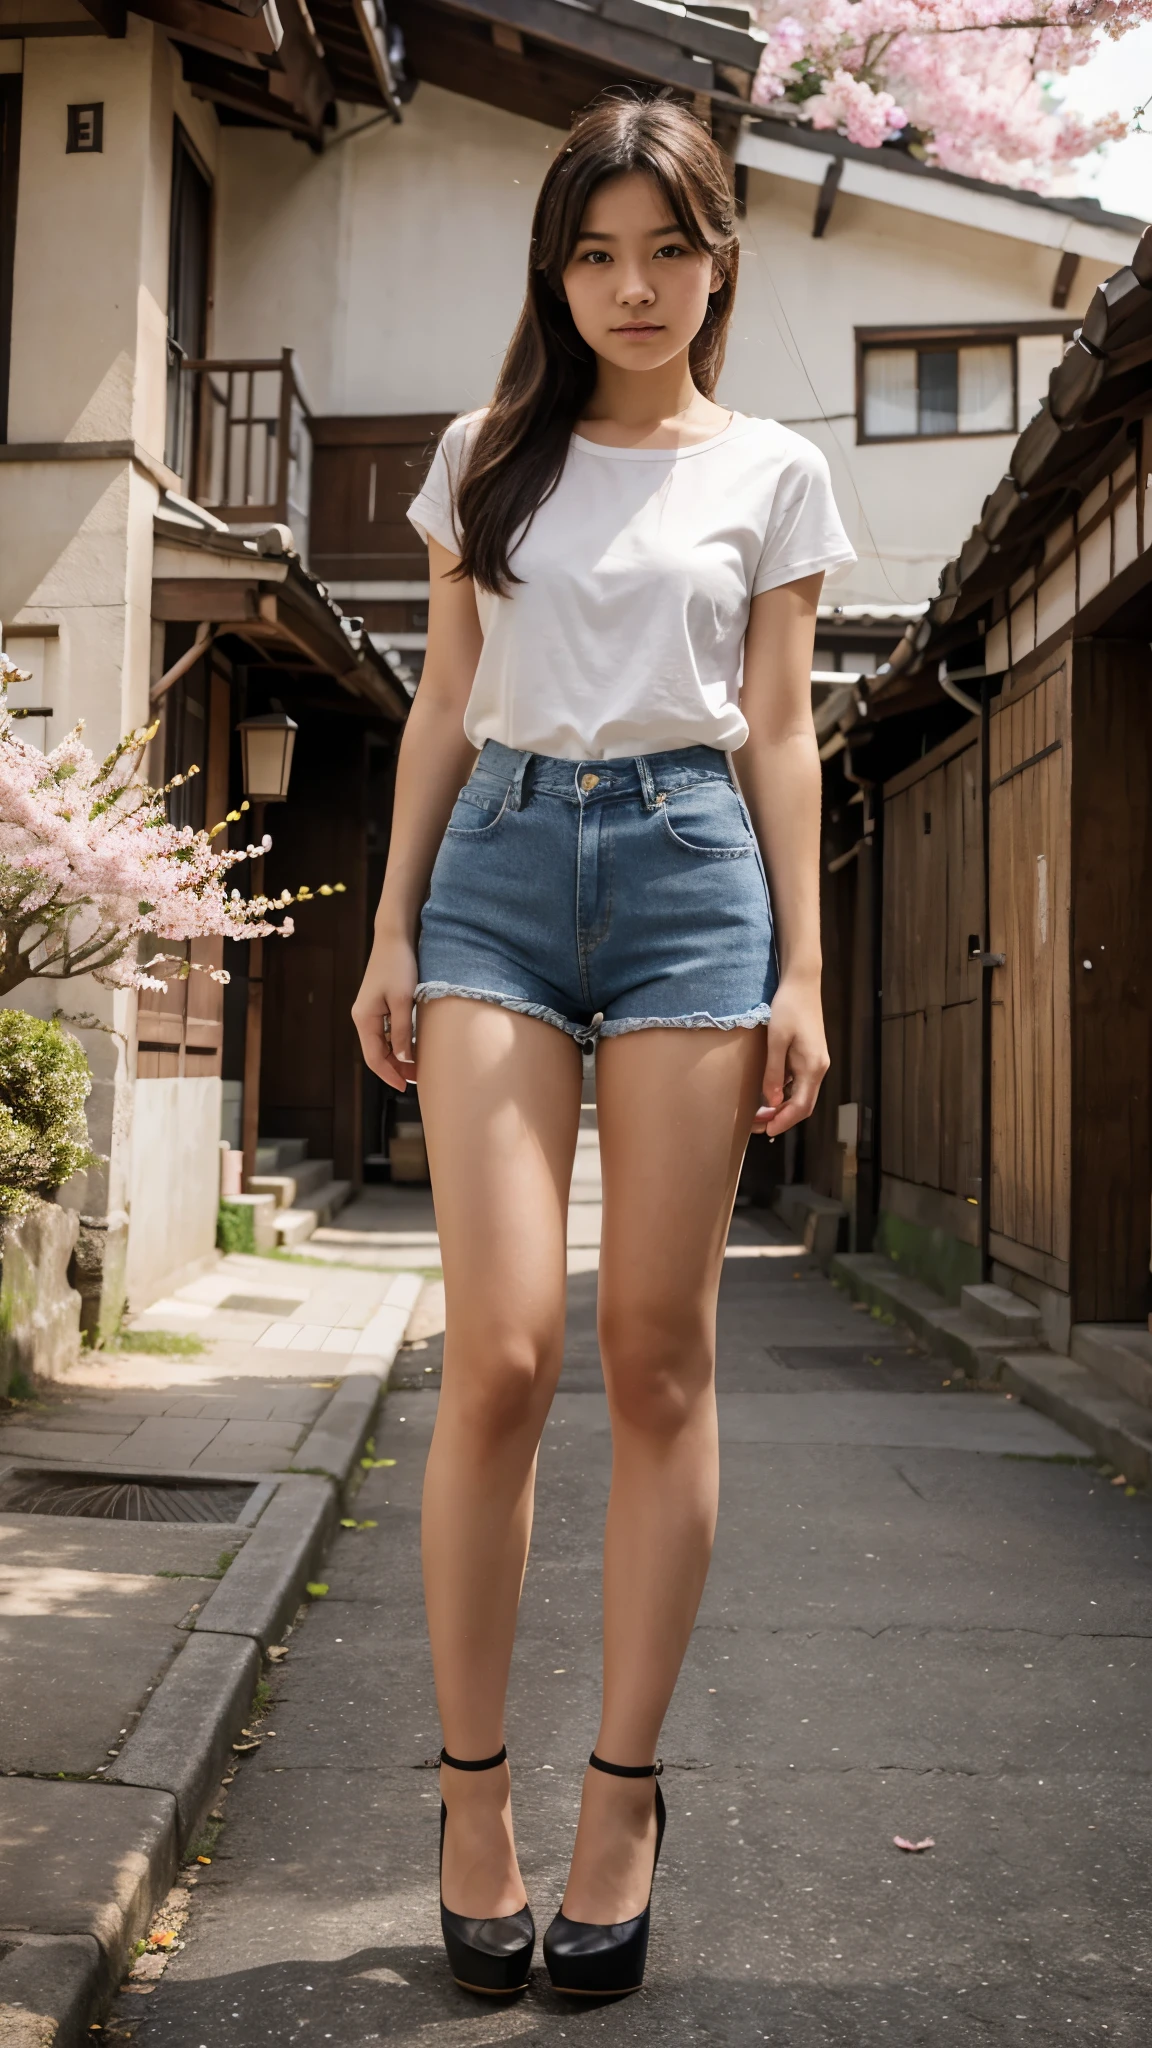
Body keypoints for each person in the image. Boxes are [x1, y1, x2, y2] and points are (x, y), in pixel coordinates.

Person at [351, 91, 855, 2000]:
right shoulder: (489, 456)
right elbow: (443, 701)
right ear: (554, 272)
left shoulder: (777, 473)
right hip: (491, 869)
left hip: (690, 880)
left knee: (658, 1360)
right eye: (593, 252)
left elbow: (788, 731)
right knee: (498, 1352)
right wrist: (392, 924)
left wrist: (804, 970)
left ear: (717, 260)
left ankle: (619, 1799)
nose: (630, 287)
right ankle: (472, 1800)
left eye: (665, 249)